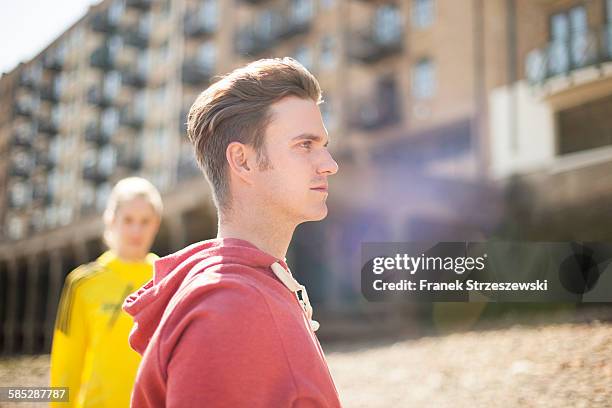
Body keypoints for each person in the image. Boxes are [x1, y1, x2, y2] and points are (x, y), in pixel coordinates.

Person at [122, 57, 342, 407]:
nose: (329, 164)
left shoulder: (252, 287)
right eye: (305, 145)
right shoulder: (232, 310)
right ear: (242, 161)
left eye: (324, 146)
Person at [50, 177, 163, 407]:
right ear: (111, 220)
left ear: (157, 224)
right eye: (128, 220)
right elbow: (66, 365)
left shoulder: (168, 278)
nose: (136, 230)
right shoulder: (82, 283)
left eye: (145, 221)